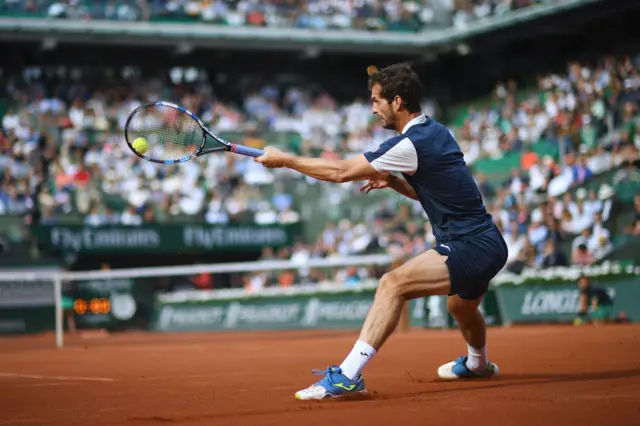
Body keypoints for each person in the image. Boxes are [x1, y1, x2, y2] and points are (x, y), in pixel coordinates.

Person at [255, 63, 508, 400]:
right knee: (460, 309)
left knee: (392, 284)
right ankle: (478, 364)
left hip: (471, 244)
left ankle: (347, 376)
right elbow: (429, 193)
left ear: (398, 102)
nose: (373, 108)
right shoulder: (436, 131)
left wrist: (285, 160)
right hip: (486, 240)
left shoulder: (409, 143)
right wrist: (392, 181)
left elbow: (341, 172)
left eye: (376, 101)